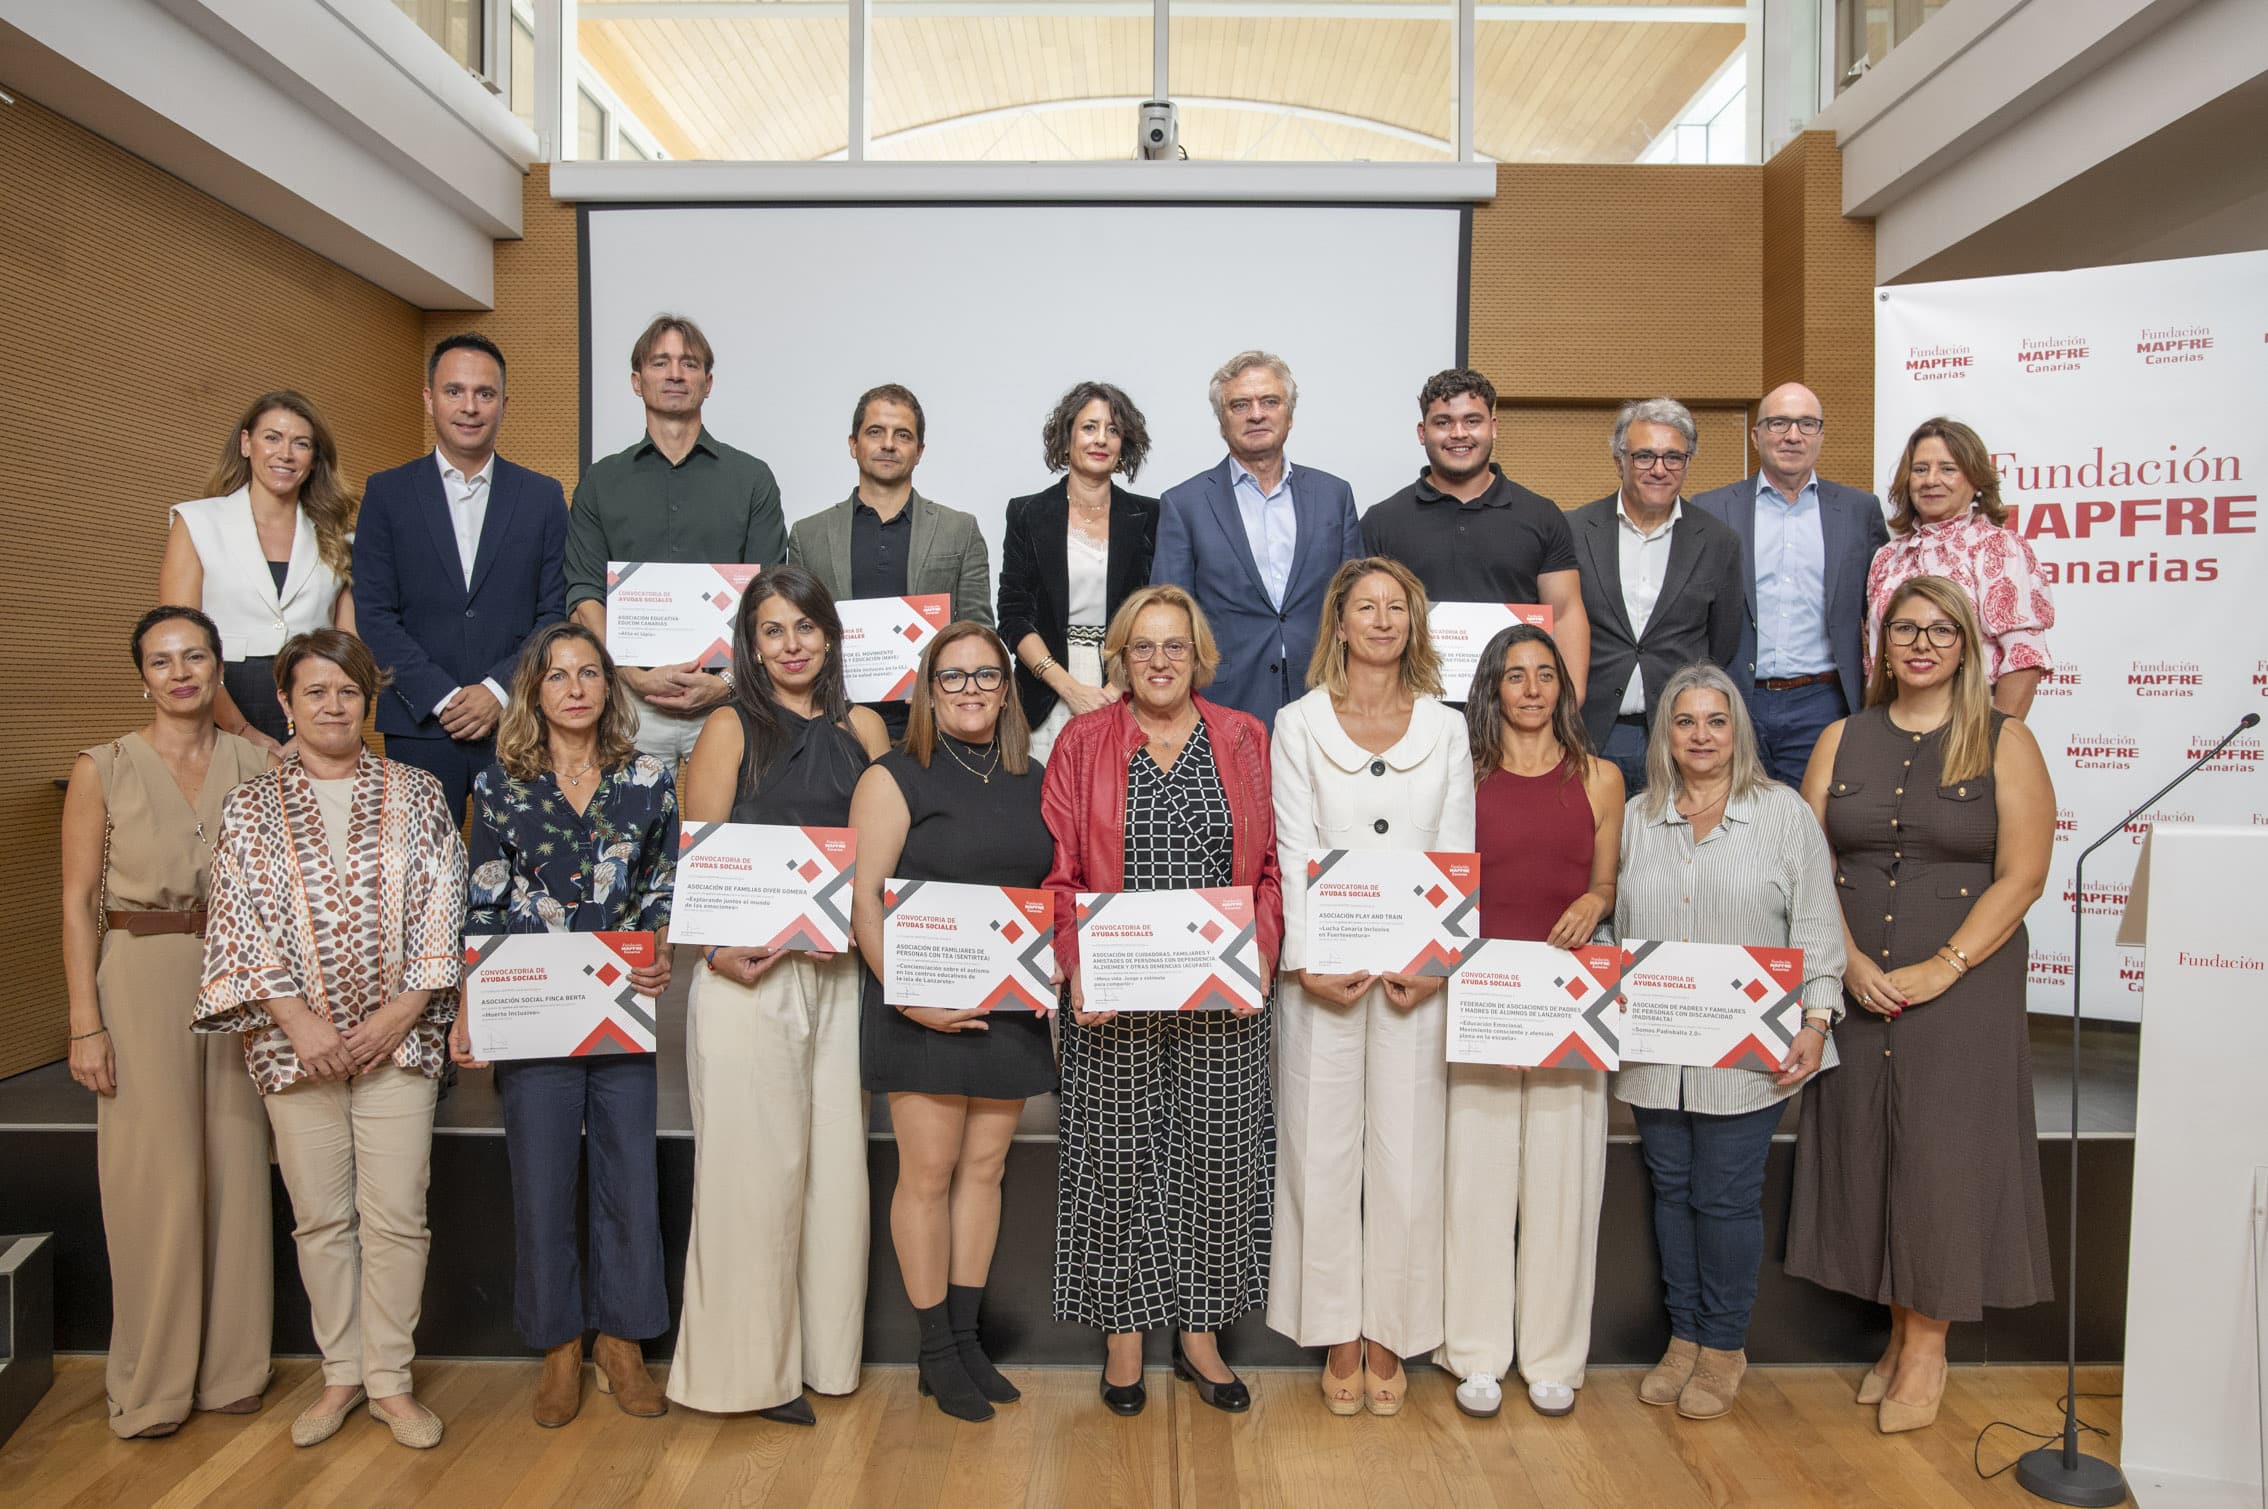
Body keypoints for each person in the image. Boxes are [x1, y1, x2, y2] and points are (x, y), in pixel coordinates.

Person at [1787, 575, 2055, 1433]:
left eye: (1942, 629)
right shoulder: (1839, 737)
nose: (1923, 643)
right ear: (1881, 642)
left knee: (1942, 1150)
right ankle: (1899, 1334)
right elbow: (1806, 862)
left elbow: (2024, 874)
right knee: (1872, 1148)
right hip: (1859, 978)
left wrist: (1947, 962)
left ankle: (1928, 1346)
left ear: (1967, 645)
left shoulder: (2006, 741)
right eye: (1906, 628)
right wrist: (1846, 959)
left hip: (1964, 983)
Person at [194, 629, 467, 1451]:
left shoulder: (418, 794)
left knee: (396, 1216)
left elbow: (442, 908)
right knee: (318, 1217)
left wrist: (394, 1018)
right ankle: (340, 1373)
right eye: (315, 691)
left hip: (400, 1042)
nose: (333, 704)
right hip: (293, 1049)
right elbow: (236, 923)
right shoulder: (247, 807)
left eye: (348, 691)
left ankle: (390, 1379)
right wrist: (301, 1023)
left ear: (369, 702)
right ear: (285, 703)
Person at [1042, 583, 1284, 1417]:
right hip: (1115, 997)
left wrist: (1260, 961)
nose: (1158, 661)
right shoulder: (1082, 742)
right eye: (1141, 646)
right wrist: (1078, 969)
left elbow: (1269, 876)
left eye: (1174, 645)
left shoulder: (1247, 739)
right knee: (1114, 1161)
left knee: (1218, 1161)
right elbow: (1059, 876)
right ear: (1119, 655)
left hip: (1223, 1000)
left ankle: (1201, 1334)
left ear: (1199, 655)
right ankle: (1123, 1337)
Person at [667, 564, 890, 1424]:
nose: (792, 645)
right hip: (747, 978)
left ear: (830, 636)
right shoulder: (729, 726)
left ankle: (824, 1361)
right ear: (751, 646)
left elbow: (893, 844)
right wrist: (717, 949)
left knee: (835, 1175)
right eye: (773, 631)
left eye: (806, 627)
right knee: (750, 1181)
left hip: (840, 977)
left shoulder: (864, 726)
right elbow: (698, 857)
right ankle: (742, 1378)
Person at [449, 623, 678, 1427]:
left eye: (589, 673)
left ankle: (622, 1342)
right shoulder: (500, 784)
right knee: (541, 1177)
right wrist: (468, 1009)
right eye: (557, 675)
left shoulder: (649, 778)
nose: (575, 687)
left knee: (630, 1176)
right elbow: (480, 901)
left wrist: (656, 953)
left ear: (608, 687)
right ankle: (556, 1346)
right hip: (530, 1008)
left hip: (619, 1004)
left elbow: (661, 885)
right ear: (533, 691)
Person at [58, 606, 274, 1439]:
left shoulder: (258, 760)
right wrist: (85, 1021)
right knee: (152, 1179)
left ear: (220, 668)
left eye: (195, 656)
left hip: (240, 977)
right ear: (142, 675)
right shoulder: (102, 767)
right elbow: (77, 902)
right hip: (139, 971)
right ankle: (151, 1382)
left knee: (235, 1162)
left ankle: (231, 1369)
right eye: (161, 660)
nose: (180, 672)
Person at [1268, 558, 1475, 1417]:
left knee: (1408, 1153)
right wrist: (1307, 961)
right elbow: (1290, 845)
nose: (1382, 620)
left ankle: (1391, 1327)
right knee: (1318, 1150)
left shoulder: (1448, 728)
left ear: (1413, 626)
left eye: (1397, 608)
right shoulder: (1297, 722)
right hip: (1323, 975)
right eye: (1367, 607)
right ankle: (1337, 1330)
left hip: (1414, 978)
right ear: (1340, 624)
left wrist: (1436, 962)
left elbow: (1458, 849)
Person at [1613, 662, 1844, 1422]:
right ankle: (1683, 1338)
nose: (1702, 735)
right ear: (1666, 733)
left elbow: (1814, 926)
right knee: (1672, 1193)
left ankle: (1724, 1345)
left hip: (1753, 1051)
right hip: (1656, 1050)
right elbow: (1617, 928)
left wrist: (1816, 1020)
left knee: (1725, 1196)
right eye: (1686, 721)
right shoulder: (1638, 816)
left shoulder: (1782, 815)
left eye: (1716, 720)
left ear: (1738, 729)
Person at [848, 623, 1058, 1422]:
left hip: (1006, 1007)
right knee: (929, 1175)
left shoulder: (1034, 775)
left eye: (985, 677)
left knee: (984, 1172)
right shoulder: (894, 776)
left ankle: (965, 1340)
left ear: (1006, 689)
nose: (970, 690)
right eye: (952, 677)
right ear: (928, 689)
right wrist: (908, 996)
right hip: (918, 1008)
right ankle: (934, 1352)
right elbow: (862, 900)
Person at [1436, 622, 1624, 1421]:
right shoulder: (1461, 773)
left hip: (1569, 1000)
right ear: (1492, 687)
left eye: (1546, 673)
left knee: (1562, 1185)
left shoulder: (1602, 777)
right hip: (1481, 996)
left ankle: (1552, 1356)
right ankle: (1475, 1352)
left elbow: (1606, 882)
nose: (1533, 688)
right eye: (1516, 675)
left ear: (1563, 686)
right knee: (1475, 1183)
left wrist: (1593, 898)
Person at [352, 333, 569, 819]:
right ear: (429, 399)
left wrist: (498, 691)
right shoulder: (386, 493)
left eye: (484, 394)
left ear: (504, 404)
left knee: (527, 876)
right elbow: (374, 613)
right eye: (454, 391)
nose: (469, 407)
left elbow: (552, 614)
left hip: (517, 721)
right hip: (420, 724)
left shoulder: (542, 497)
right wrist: (443, 697)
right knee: (422, 873)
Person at [564, 314, 787, 767]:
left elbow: (772, 594)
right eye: (660, 362)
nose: (674, 374)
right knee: (627, 837)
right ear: (636, 380)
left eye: (688, 364)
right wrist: (631, 675)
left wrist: (725, 682)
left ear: (708, 382)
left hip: (729, 700)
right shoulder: (600, 482)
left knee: (729, 833)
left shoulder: (752, 479)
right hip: (629, 704)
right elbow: (584, 594)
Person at [1150, 350, 1363, 729]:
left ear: (1290, 414)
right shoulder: (1184, 504)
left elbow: (1355, 603)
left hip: (1327, 695)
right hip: (1222, 701)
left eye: (1269, 401)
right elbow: (1169, 619)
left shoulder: (1334, 495)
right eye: (1240, 405)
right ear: (1221, 421)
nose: (1256, 414)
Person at [1688, 383, 1888, 783]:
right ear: (1756, 435)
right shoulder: (1711, 509)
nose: (1792, 435)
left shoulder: (1858, 510)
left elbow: (1880, 606)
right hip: (1734, 698)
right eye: (1778, 423)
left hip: (1823, 701)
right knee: (1733, 822)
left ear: (1820, 435)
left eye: (1806, 424)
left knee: (1813, 829)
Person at [1360, 368, 1590, 701]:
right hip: (1415, 711)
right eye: (1443, 423)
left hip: (1514, 713)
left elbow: (1566, 611)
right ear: (1422, 432)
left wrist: (1570, 700)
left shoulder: (1541, 515)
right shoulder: (1382, 520)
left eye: (1472, 421)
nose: (1458, 434)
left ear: (1493, 428)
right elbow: (1363, 619)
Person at [786, 383, 994, 742]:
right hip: (836, 726)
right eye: (875, 432)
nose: (888, 444)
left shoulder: (959, 530)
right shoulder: (809, 535)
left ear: (919, 451)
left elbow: (980, 633)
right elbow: (799, 632)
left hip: (932, 728)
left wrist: (945, 685)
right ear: (853, 445)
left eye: (903, 435)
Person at [158, 390, 358, 749]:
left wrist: (322, 724)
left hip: (315, 706)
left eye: (301, 443)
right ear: (246, 443)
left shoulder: (339, 538)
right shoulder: (197, 522)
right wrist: (241, 731)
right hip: (218, 704)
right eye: (272, 438)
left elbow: (349, 646)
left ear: (313, 459)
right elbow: (181, 641)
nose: (285, 454)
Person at [1568, 398, 1745, 793]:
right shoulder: (1573, 531)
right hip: (1589, 731)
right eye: (1645, 456)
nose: (1659, 469)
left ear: (1687, 462)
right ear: (1620, 461)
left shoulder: (1719, 542)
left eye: (1673, 457)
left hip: (1676, 738)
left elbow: (1723, 643)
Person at [997, 381, 1160, 762]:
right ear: (1066, 437)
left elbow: (1155, 613)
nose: (1101, 439)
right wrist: (1068, 687)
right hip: (1047, 684)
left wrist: (1116, 687)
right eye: (1089, 427)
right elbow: (1013, 615)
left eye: (1113, 429)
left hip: (1127, 680)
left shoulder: (1150, 516)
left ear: (1124, 445)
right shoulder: (1027, 513)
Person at [1864, 418, 2055, 718]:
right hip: (1895, 725)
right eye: (1920, 469)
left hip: (1970, 724)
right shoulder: (1887, 557)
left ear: (1975, 479)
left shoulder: (1997, 548)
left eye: (1948, 469)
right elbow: (1875, 661)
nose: (1930, 480)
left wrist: (1995, 742)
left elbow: (2023, 657)